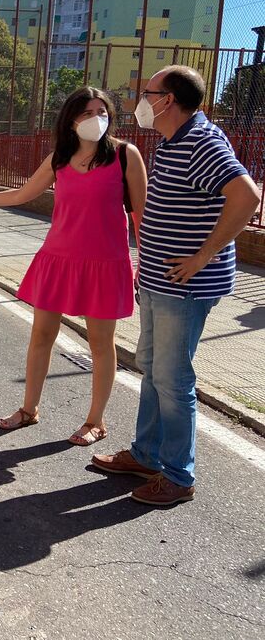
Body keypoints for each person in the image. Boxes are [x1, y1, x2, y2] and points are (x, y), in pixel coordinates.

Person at [93, 66, 261, 506]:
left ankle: (178, 476)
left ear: (167, 100)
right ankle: (147, 455)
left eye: (146, 92)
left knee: (172, 377)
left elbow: (247, 196)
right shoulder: (173, 140)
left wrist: (203, 256)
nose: (139, 99)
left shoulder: (202, 142)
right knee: (151, 366)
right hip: (158, 279)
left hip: (184, 286)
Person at [0, 87, 148, 446]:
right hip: (58, 259)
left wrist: (145, 263)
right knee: (41, 336)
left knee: (100, 345)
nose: (97, 119)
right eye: (87, 112)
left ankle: (96, 421)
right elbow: (21, 194)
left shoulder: (125, 155)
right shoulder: (60, 158)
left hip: (106, 264)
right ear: (71, 119)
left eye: (102, 111)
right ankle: (29, 410)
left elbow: (142, 214)